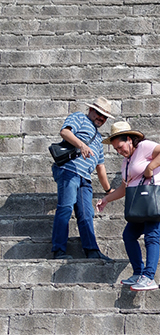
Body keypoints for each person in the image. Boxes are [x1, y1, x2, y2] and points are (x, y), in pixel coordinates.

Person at [96, 120, 160, 291]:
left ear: (130, 139)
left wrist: (151, 167)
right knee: (129, 235)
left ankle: (149, 277)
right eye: (116, 149)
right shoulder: (126, 162)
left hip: (157, 201)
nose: (119, 151)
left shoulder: (144, 146)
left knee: (151, 235)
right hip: (140, 204)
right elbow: (125, 188)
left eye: (120, 146)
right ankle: (138, 273)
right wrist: (106, 199)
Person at [50, 96, 113, 261]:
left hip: (85, 179)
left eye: (104, 117)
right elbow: (65, 131)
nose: (101, 118)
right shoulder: (79, 117)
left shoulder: (99, 139)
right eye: (99, 113)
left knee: (86, 213)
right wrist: (82, 145)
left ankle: (92, 251)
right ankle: (59, 251)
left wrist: (108, 190)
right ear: (91, 110)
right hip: (68, 171)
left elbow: (100, 166)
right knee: (65, 207)